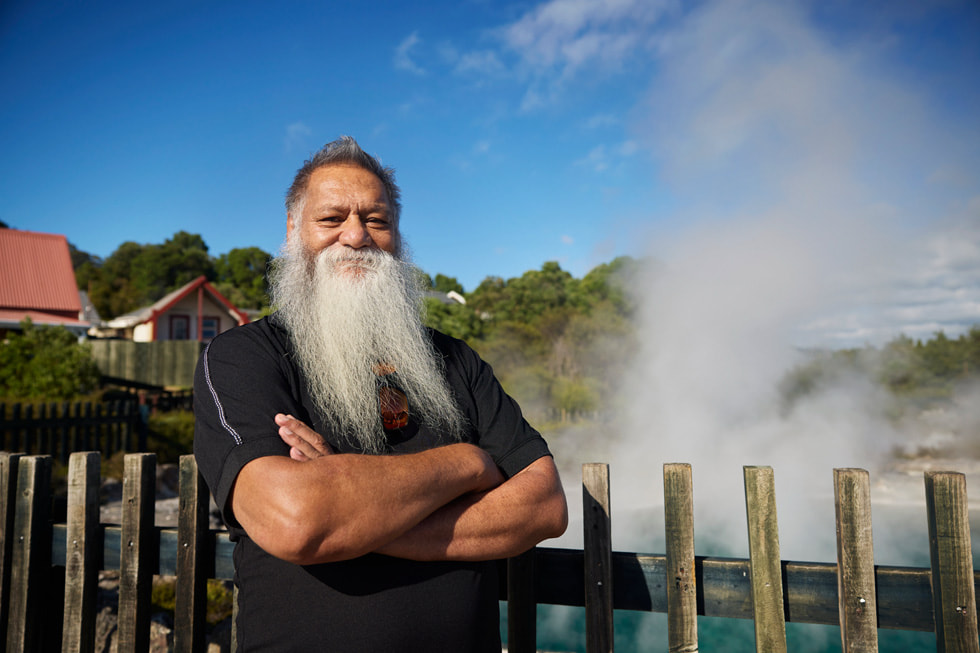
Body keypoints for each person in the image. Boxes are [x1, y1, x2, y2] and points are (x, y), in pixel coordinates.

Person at [193, 136, 568, 652]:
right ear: (292, 231)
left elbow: (544, 506)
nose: (356, 236)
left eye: (377, 219)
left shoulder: (455, 361)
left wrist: (352, 513)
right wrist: (468, 463)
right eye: (331, 219)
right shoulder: (243, 357)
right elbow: (298, 522)